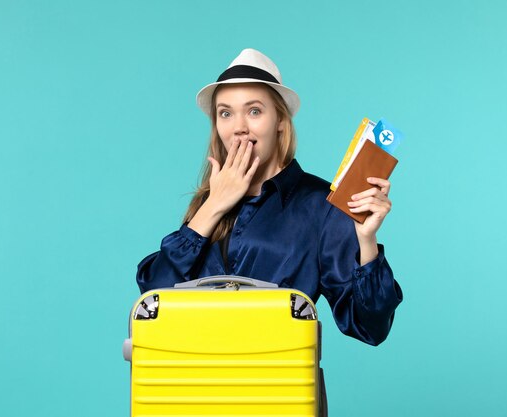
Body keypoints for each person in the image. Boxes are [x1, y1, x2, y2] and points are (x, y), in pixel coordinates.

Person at [136, 48, 402, 346]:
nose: (239, 127)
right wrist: (213, 205)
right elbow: (154, 297)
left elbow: (370, 327)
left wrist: (366, 241)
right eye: (225, 113)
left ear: (280, 120)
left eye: (254, 111)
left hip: (277, 382)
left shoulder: (320, 206)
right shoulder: (208, 201)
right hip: (196, 383)